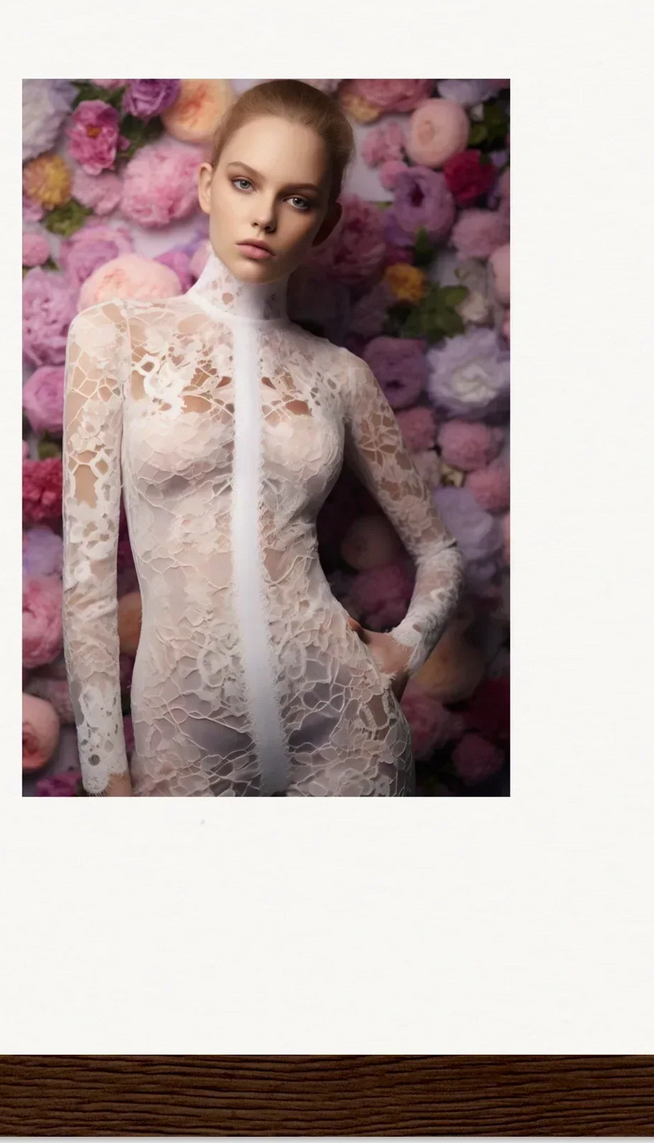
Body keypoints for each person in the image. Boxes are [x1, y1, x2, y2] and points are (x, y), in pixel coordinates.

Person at [60, 79, 465, 796]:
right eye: (247, 183)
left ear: (326, 221)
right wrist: (103, 773)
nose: (266, 216)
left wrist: (403, 648)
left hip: (344, 719)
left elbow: (439, 550)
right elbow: (86, 580)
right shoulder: (115, 337)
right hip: (184, 730)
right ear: (208, 184)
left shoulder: (340, 375)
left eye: (298, 198)